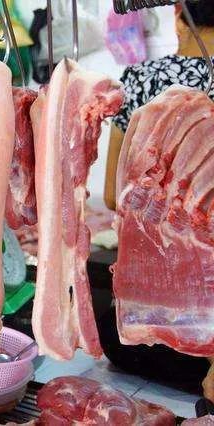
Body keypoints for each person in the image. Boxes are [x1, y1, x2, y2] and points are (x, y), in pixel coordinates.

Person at [103, 1, 214, 402]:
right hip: (208, 341)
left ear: (179, 19)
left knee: (113, 337)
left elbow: (114, 195)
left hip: (144, 331)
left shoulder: (140, 79)